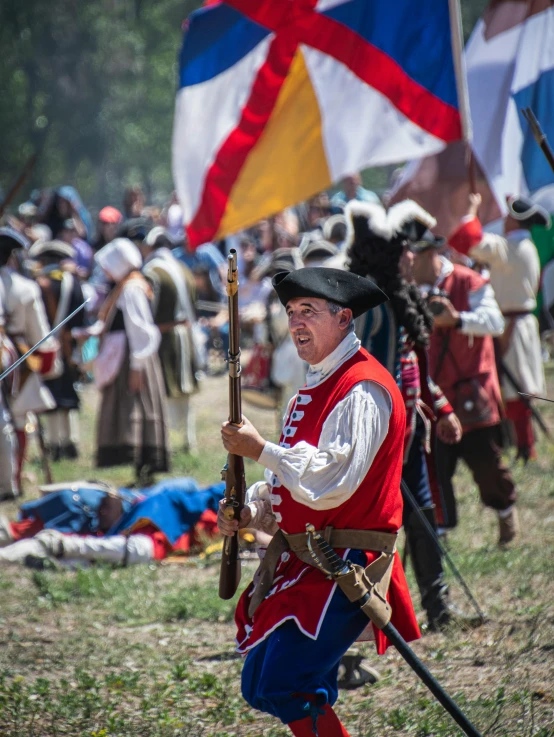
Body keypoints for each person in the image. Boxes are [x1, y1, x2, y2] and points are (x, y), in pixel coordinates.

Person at [217, 267, 420, 736]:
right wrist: (250, 512)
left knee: (285, 681)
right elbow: (285, 483)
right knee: (261, 683)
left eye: (308, 311)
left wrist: (261, 449)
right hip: (308, 558)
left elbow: (333, 480)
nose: (296, 324)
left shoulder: (363, 388)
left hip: (345, 561)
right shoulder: (314, 387)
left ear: (344, 318)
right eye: (290, 313)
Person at [346, 200, 464, 630]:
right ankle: (365, 619)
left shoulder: (398, 296)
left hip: (408, 432)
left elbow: (412, 368)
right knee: (373, 529)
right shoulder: (367, 307)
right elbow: (362, 379)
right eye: (404, 249)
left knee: (423, 513)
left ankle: (438, 609)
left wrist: (442, 409)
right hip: (378, 437)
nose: (412, 255)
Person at [411, 229, 518, 545]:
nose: (405, 262)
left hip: (472, 389)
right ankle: (438, 537)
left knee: (486, 464)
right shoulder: (408, 290)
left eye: (411, 256)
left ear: (429, 254)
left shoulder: (466, 280)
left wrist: (457, 320)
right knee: (435, 471)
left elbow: (494, 322)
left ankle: (505, 513)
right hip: (432, 395)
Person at [449, 194, 548, 462]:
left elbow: (466, 240)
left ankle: (525, 446)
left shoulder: (510, 248)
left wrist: (471, 209)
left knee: (514, 390)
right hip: (518, 322)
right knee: (514, 388)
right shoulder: (524, 247)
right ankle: (521, 444)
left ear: (515, 220)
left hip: (511, 324)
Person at [0, 477, 224, 566]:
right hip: (164, 516)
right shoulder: (193, 497)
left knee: (130, 550)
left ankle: (56, 550)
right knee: (141, 547)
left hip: (168, 523)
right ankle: (56, 545)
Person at [92, 238, 169, 483]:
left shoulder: (131, 289)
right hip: (130, 355)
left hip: (134, 358)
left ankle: (144, 465)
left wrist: (136, 367)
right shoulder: (126, 286)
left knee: (138, 407)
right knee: (132, 408)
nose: (105, 271)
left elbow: (142, 331)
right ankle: (140, 465)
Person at [0, 227, 59, 499]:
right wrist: (48, 363)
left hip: (15, 357)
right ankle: (11, 481)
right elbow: (41, 335)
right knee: (19, 420)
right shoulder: (25, 288)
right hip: (19, 358)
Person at [141, 227, 200, 453]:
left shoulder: (151, 272)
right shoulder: (183, 268)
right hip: (186, 335)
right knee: (183, 393)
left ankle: (167, 442)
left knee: (163, 391)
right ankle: (187, 440)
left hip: (164, 338)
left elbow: (148, 313)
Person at [28, 239, 85, 461]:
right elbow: (80, 317)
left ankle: (53, 443)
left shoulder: (38, 284)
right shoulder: (73, 283)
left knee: (51, 394)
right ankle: (70, 441)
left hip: (46, 345)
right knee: (68, 393)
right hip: (68, 345)